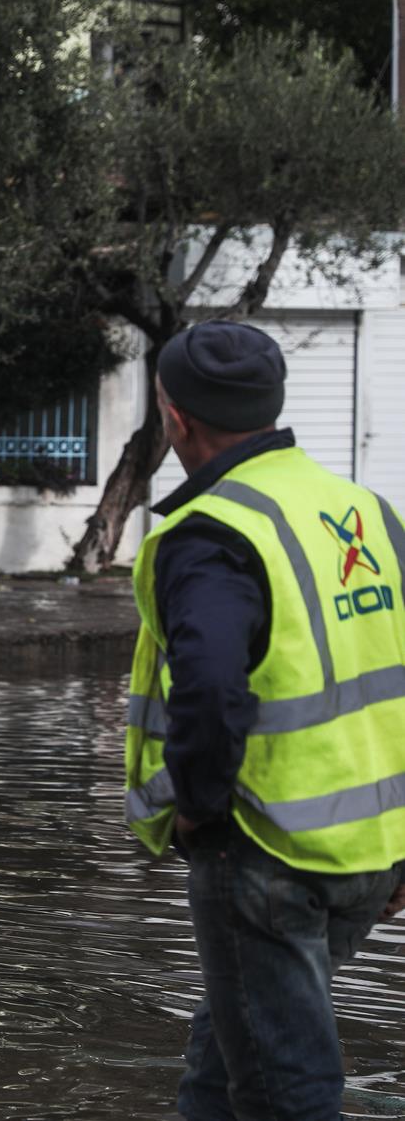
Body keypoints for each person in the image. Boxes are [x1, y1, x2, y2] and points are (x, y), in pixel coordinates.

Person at [124, 320, 405, 1120]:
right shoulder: (364, 513)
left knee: (287, 1091)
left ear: (174, 418)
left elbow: (209, 690)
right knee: (228, 1058)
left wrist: (197, 808)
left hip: (266, 854)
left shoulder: (211, 534)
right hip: (370, 854)